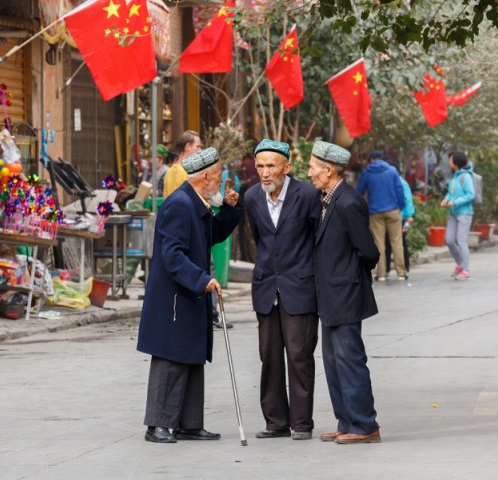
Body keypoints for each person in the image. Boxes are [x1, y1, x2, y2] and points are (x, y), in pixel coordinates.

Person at [136, 147, 242, 444]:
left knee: (191, 356)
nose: (221, 179)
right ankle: (158, 424)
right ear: (205, 176)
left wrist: (231, 210)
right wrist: (202, 279)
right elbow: (172, 255)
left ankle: (189, 423)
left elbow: (212, 235)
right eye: (219, 174)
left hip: (191, 291)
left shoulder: (197, 202)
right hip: (174, 296)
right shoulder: (179, 204)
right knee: (171, 358)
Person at [244, 139, 321, 441]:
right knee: (269, 355)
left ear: (286, 167)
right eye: (260, 166)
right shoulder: (252, 197)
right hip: (266, 288)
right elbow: (259, 238)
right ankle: (276, 421)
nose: (264, 172)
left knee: (299, 356)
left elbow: (318, 238)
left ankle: (301, 423)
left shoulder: (307, 195)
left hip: (299, 287)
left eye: (271, 166)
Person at [308, 141, 380, 445]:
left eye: (312, 167)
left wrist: (349, 276)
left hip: (346, 293)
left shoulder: (349, 203)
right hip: (329, 294)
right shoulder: (325, 199)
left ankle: (364, 425)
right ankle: (345, 421)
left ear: (328, 170)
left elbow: (368, 251)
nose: (309, 173)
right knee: (333, 361)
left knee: (349, 359)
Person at [356, 151, 406, 282]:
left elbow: (359, 192)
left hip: (375, 212)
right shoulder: (392, 170)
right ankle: (401, 273)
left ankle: (381, 274)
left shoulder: (367, 172)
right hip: (393, 210)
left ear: (371, 159)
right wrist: (400, 206)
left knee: (379, 244)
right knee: (396, 242)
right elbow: (399, 190)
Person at [441, 151, 475, 281]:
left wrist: (454, 202)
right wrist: (446, 200)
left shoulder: (465, 177)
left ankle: (466, 270)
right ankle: (460, 264)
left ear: (456, 162)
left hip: (464, 213)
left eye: (450, 160)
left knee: (461, 241)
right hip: (453, 213)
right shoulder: (454, 177)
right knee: (449, 240)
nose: (449, 162)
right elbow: (450, 193)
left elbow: (470, 194)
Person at [163, 130, 201, 198]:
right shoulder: (184, 172)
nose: (200, 150)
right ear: (188, 146)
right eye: (197, 147)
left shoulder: (170, 171)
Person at [399, 172, 415, 275]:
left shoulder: (402, 183)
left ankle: (405, 266)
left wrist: (409, 215)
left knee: (402, 242)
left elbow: (408, 200)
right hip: (397, 216)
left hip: (402, 217)